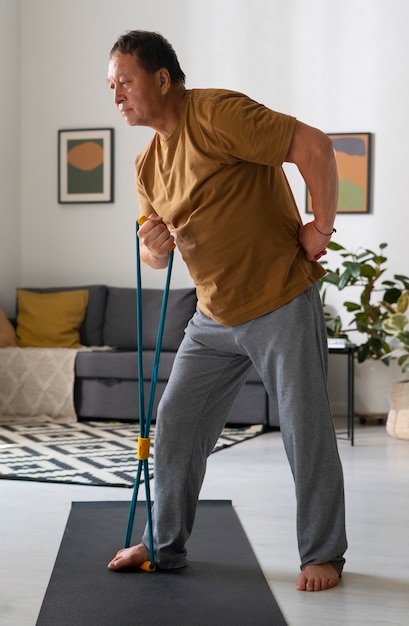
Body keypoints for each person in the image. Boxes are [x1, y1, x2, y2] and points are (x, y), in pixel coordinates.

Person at [106, 30, 347, 592]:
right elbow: (150, 249)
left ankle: (324, 555)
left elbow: (315, 148)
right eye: (110, 86)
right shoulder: (147, 166)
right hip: (213, 316)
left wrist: (320, 227)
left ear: (162, 79)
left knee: (305, 431)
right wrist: (154, 248)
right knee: (177, 426)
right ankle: (165, 547)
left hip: (279, 298)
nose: (116, 95)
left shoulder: (216, 113)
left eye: (126, 82)